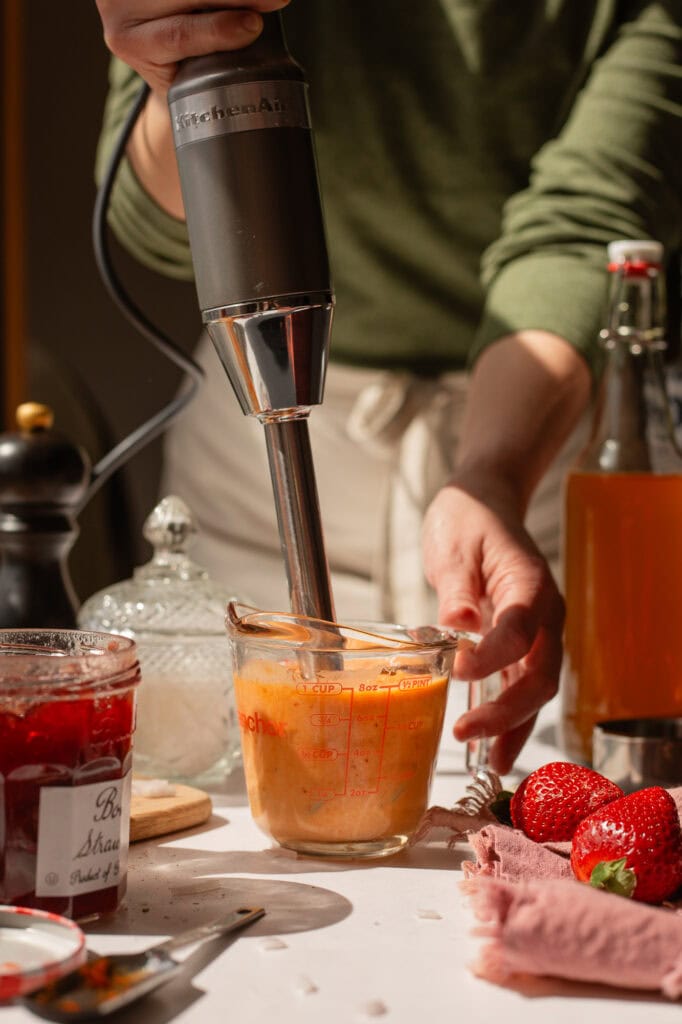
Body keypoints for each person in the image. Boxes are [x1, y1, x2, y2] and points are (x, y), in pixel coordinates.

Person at [93, 0, 682, 774]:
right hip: (252, 453)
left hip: (530, 431)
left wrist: (494, 476)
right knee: (231, 778)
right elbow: (152, 223)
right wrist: (184, 66)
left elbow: (583, 223)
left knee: (533, 770)